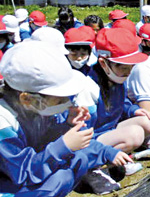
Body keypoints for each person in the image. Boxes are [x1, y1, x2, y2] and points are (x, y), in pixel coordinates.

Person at [0, 41, 132, 196]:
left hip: (27, 173)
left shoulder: (34, 108)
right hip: (8, 185)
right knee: (61, 177)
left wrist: (69, 127)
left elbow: (47, 139)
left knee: (78, 160)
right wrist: (63, 145)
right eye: (59, 100)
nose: (67, 104)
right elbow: (20, 173)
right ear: (27, 99)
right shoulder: (4, 122)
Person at [83, 28, 150, 192]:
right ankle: (90, 169)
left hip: (106, 131)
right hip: (89, 140)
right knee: (135, 134)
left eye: (131, 66)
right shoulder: (88, 88)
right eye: (123, 67)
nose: (128, 72)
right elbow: (81, 136)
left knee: (147, 122)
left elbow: (122, 103)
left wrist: (133, 111)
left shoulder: (115, 77)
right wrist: (106, 151)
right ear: (103, 63)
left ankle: (110, 161)